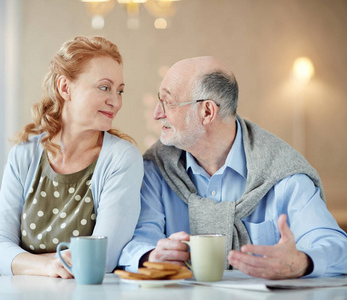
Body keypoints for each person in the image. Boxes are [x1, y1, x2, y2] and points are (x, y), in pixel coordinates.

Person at [119, 56, 347, 279]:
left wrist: (302, 262)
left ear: (207, 111)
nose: (157, 114)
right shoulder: (155, 168)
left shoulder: (283, 173)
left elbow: (336, 247)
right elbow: (136, 241)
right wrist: (150, 256)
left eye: (167, 102)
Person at [0, 36, 143, 278]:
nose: (115, 101)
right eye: (104, 87)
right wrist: (49, 267)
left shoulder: (122, 158)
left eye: (119, 91)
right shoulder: (23, 156)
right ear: (65, 88)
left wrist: (23, 260)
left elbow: (103, 258)